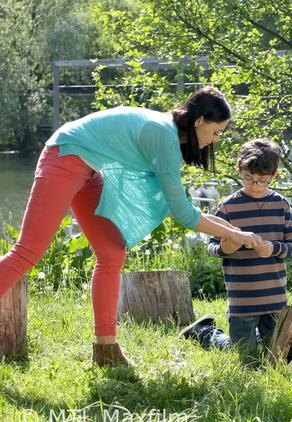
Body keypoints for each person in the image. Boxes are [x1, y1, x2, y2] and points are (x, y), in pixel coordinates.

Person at [0, 87, 262, 366]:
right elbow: (184, 214)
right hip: (65, 154)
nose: (215, 140)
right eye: (216, 132)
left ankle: (105, 348)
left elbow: (186, 209)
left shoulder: (168, 133)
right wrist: (233, 233)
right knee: (28, 251)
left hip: (88, 167)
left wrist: (233, 231)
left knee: (112, 253)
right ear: (199, 121)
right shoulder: (164, 135)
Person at [179, 138, 292, 356]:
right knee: (243, 353)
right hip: (242, 298)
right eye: (248, 178)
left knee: (272, 351)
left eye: (262, 180)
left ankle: (250, 338)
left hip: (275, 297)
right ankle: (205, 332)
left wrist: (272, 248)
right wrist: (228, 246)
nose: (254, 185)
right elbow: (213, 247)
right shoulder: (229, 206)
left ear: (274, 176)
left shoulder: (281, 205)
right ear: (239, 170)